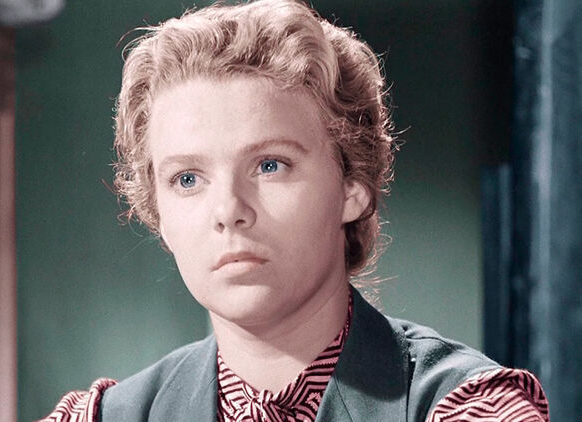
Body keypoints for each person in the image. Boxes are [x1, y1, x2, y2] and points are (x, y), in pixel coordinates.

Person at [41, 0, 549, 420]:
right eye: (188, 179)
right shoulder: (99, 416)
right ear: (159, 216)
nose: (229, 211)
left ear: (353, 186)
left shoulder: (471, 406)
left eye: (270, 165)